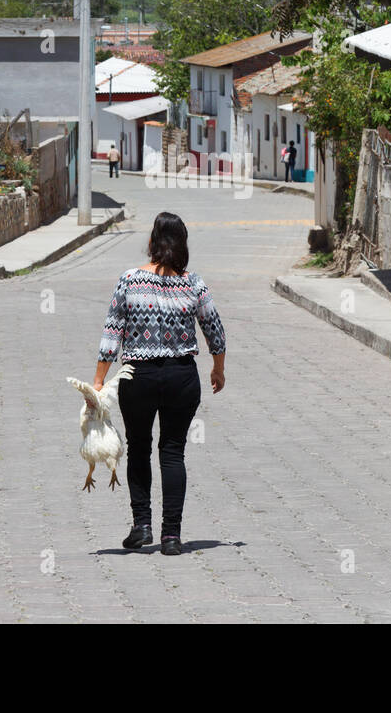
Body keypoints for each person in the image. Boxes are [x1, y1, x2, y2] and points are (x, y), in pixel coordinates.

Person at [93, 211, 226, 556]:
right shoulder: (194, 284)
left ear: (151, 243)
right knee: (172, 451)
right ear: (182, 246)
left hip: (138, 376)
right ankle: (171, 535)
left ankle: (142, 524)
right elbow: (215, 331)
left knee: (138, 446)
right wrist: (217, 369)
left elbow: (112, 332)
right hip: (182, 377)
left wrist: (98, 381)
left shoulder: (129, 279)